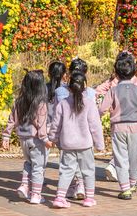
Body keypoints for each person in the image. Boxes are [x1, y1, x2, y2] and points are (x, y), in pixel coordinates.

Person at [49, 71, 104, 208]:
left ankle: (60, 197)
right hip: (85, 145)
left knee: (66, 171)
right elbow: (95, 126)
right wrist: (99, 144)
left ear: (69, 87)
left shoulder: (63, 104)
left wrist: (53, 138)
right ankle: (89, 198)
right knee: (88, 171)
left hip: (67, 144)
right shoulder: (89, 103)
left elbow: (56, 124)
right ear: (85, 86)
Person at [99, 53, 137, 200]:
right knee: (134, 157)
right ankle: (133, 183)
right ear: (134, 71)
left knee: (120, 158)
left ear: (116, 73)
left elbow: (102, 109)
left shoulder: (113, 90)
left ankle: (125, 188)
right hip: (136, 127)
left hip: (118, 127)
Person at [2, 70, 49, 204]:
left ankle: (24, 186)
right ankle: (36, 195)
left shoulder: (19, 101)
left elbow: (12, 119)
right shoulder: (41, 103)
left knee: (29, 163)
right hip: (36, 140)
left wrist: (6, 136)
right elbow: (42, 125)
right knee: (39, 167)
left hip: (23, 139)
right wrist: (46, 139)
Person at [95, 51, 137, 183]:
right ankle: (131, 181)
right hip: (135, 122)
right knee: (133, 154)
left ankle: (122, 180)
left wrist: (102, 105)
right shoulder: (136, 84)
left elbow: (100, 94)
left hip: (117, 122)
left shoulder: (112, 83)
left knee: (120, 151)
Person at [46, 61, 67, 127]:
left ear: (48, 74)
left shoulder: (41, 88)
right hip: (62, 126)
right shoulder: (68, 90)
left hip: (45, 127)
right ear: (64, 75)